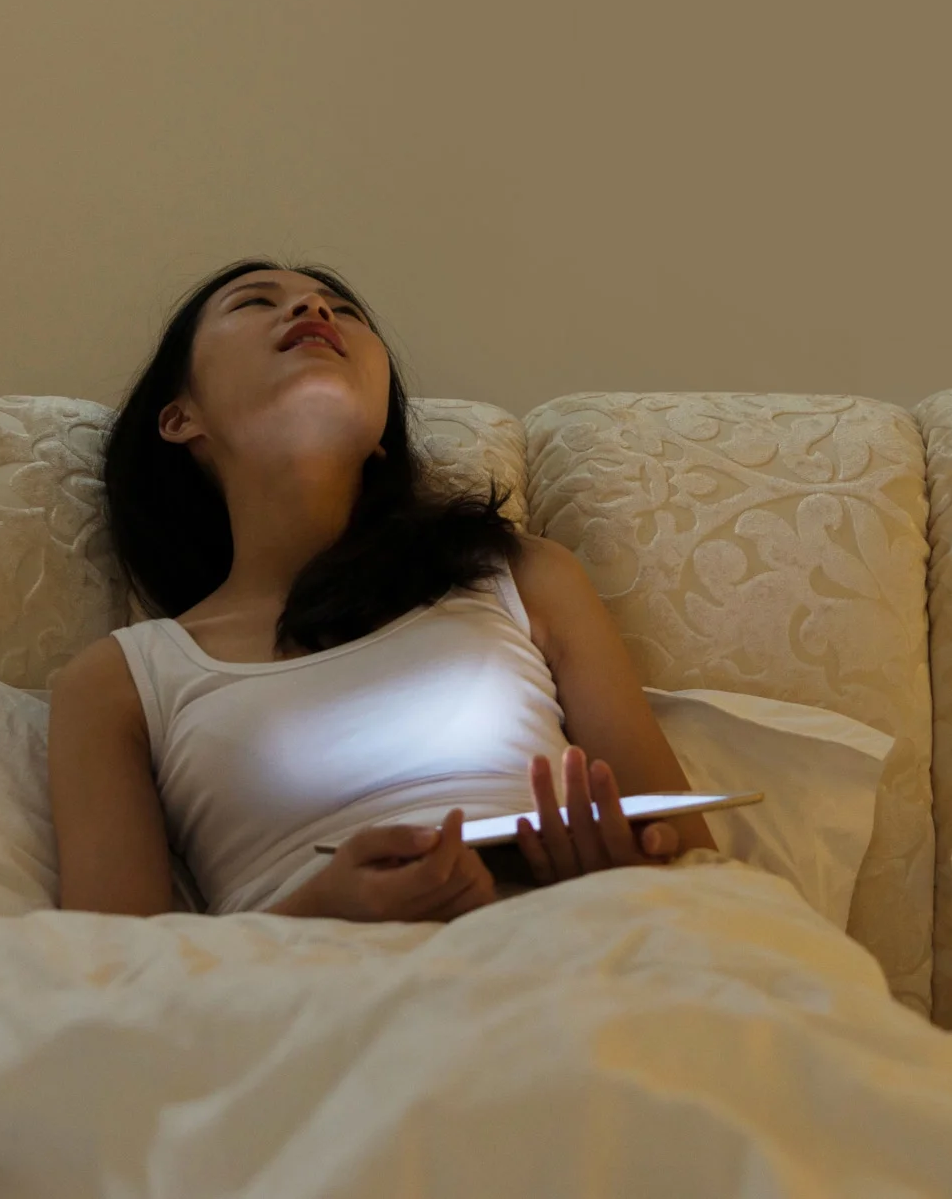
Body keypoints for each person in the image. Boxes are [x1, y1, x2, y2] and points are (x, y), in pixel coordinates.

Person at [47, 259, 714, 924]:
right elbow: (113, 968)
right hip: (307, 996)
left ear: (380, 440)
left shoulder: (520, 574)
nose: (314, 311)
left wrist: (620, 866)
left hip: (580, 952)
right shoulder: (118, 682)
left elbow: (694, 863)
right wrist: (320, 908)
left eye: (343, 310)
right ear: (179, 418)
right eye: (255, 302)